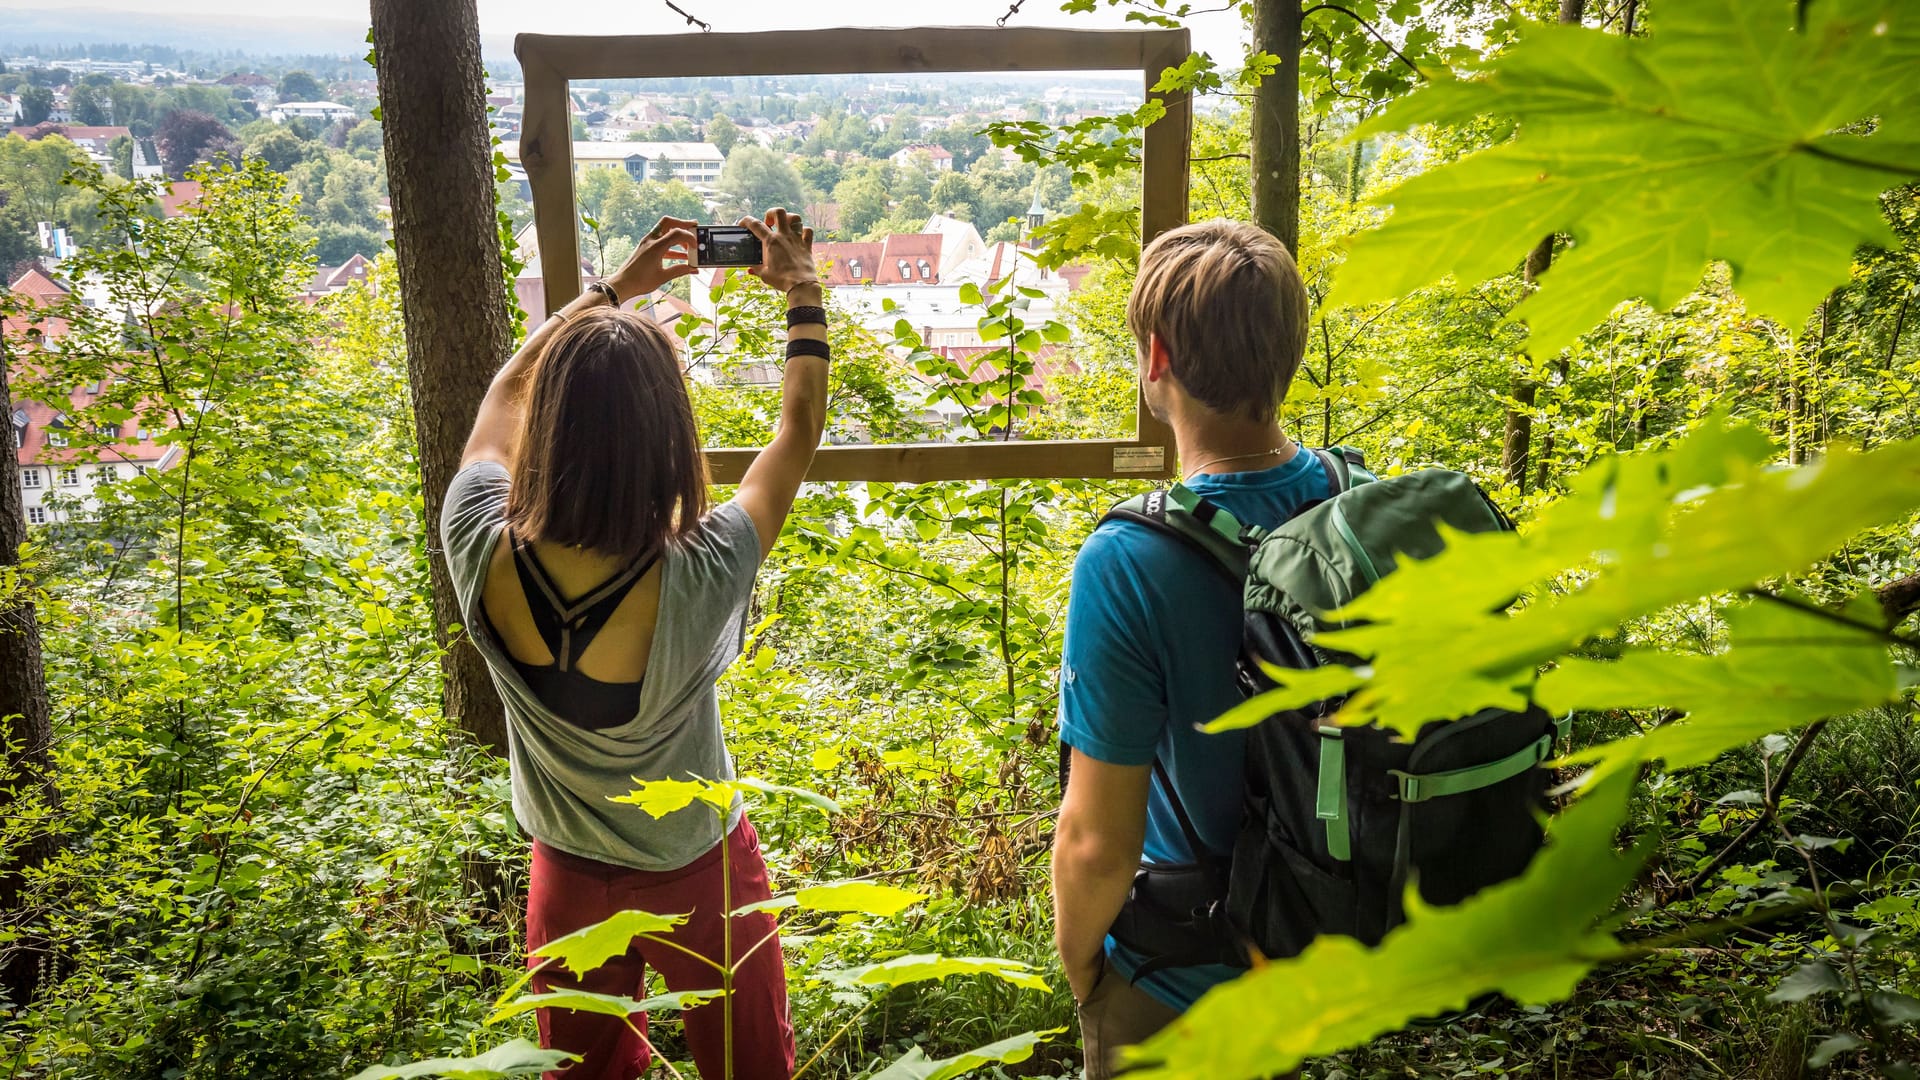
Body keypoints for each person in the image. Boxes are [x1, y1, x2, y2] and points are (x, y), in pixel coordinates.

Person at [440, 209, 826, 1080]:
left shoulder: (476, 539)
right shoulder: (701, 571)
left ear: (554, 428)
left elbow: (503, 395)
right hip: (700, 869)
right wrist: (802, 292)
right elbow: (794, 436)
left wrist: (613, 291)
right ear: (668, 436)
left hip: (568, 874)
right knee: (753, 1069)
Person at [1051, 219, 1323, 1077]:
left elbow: (1098, 840)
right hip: (1326, 947)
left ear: (1156, 358)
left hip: (1181, 976)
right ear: (1290, 350)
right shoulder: (1355, 503)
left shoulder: (1130, 558)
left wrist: (1087, 970)